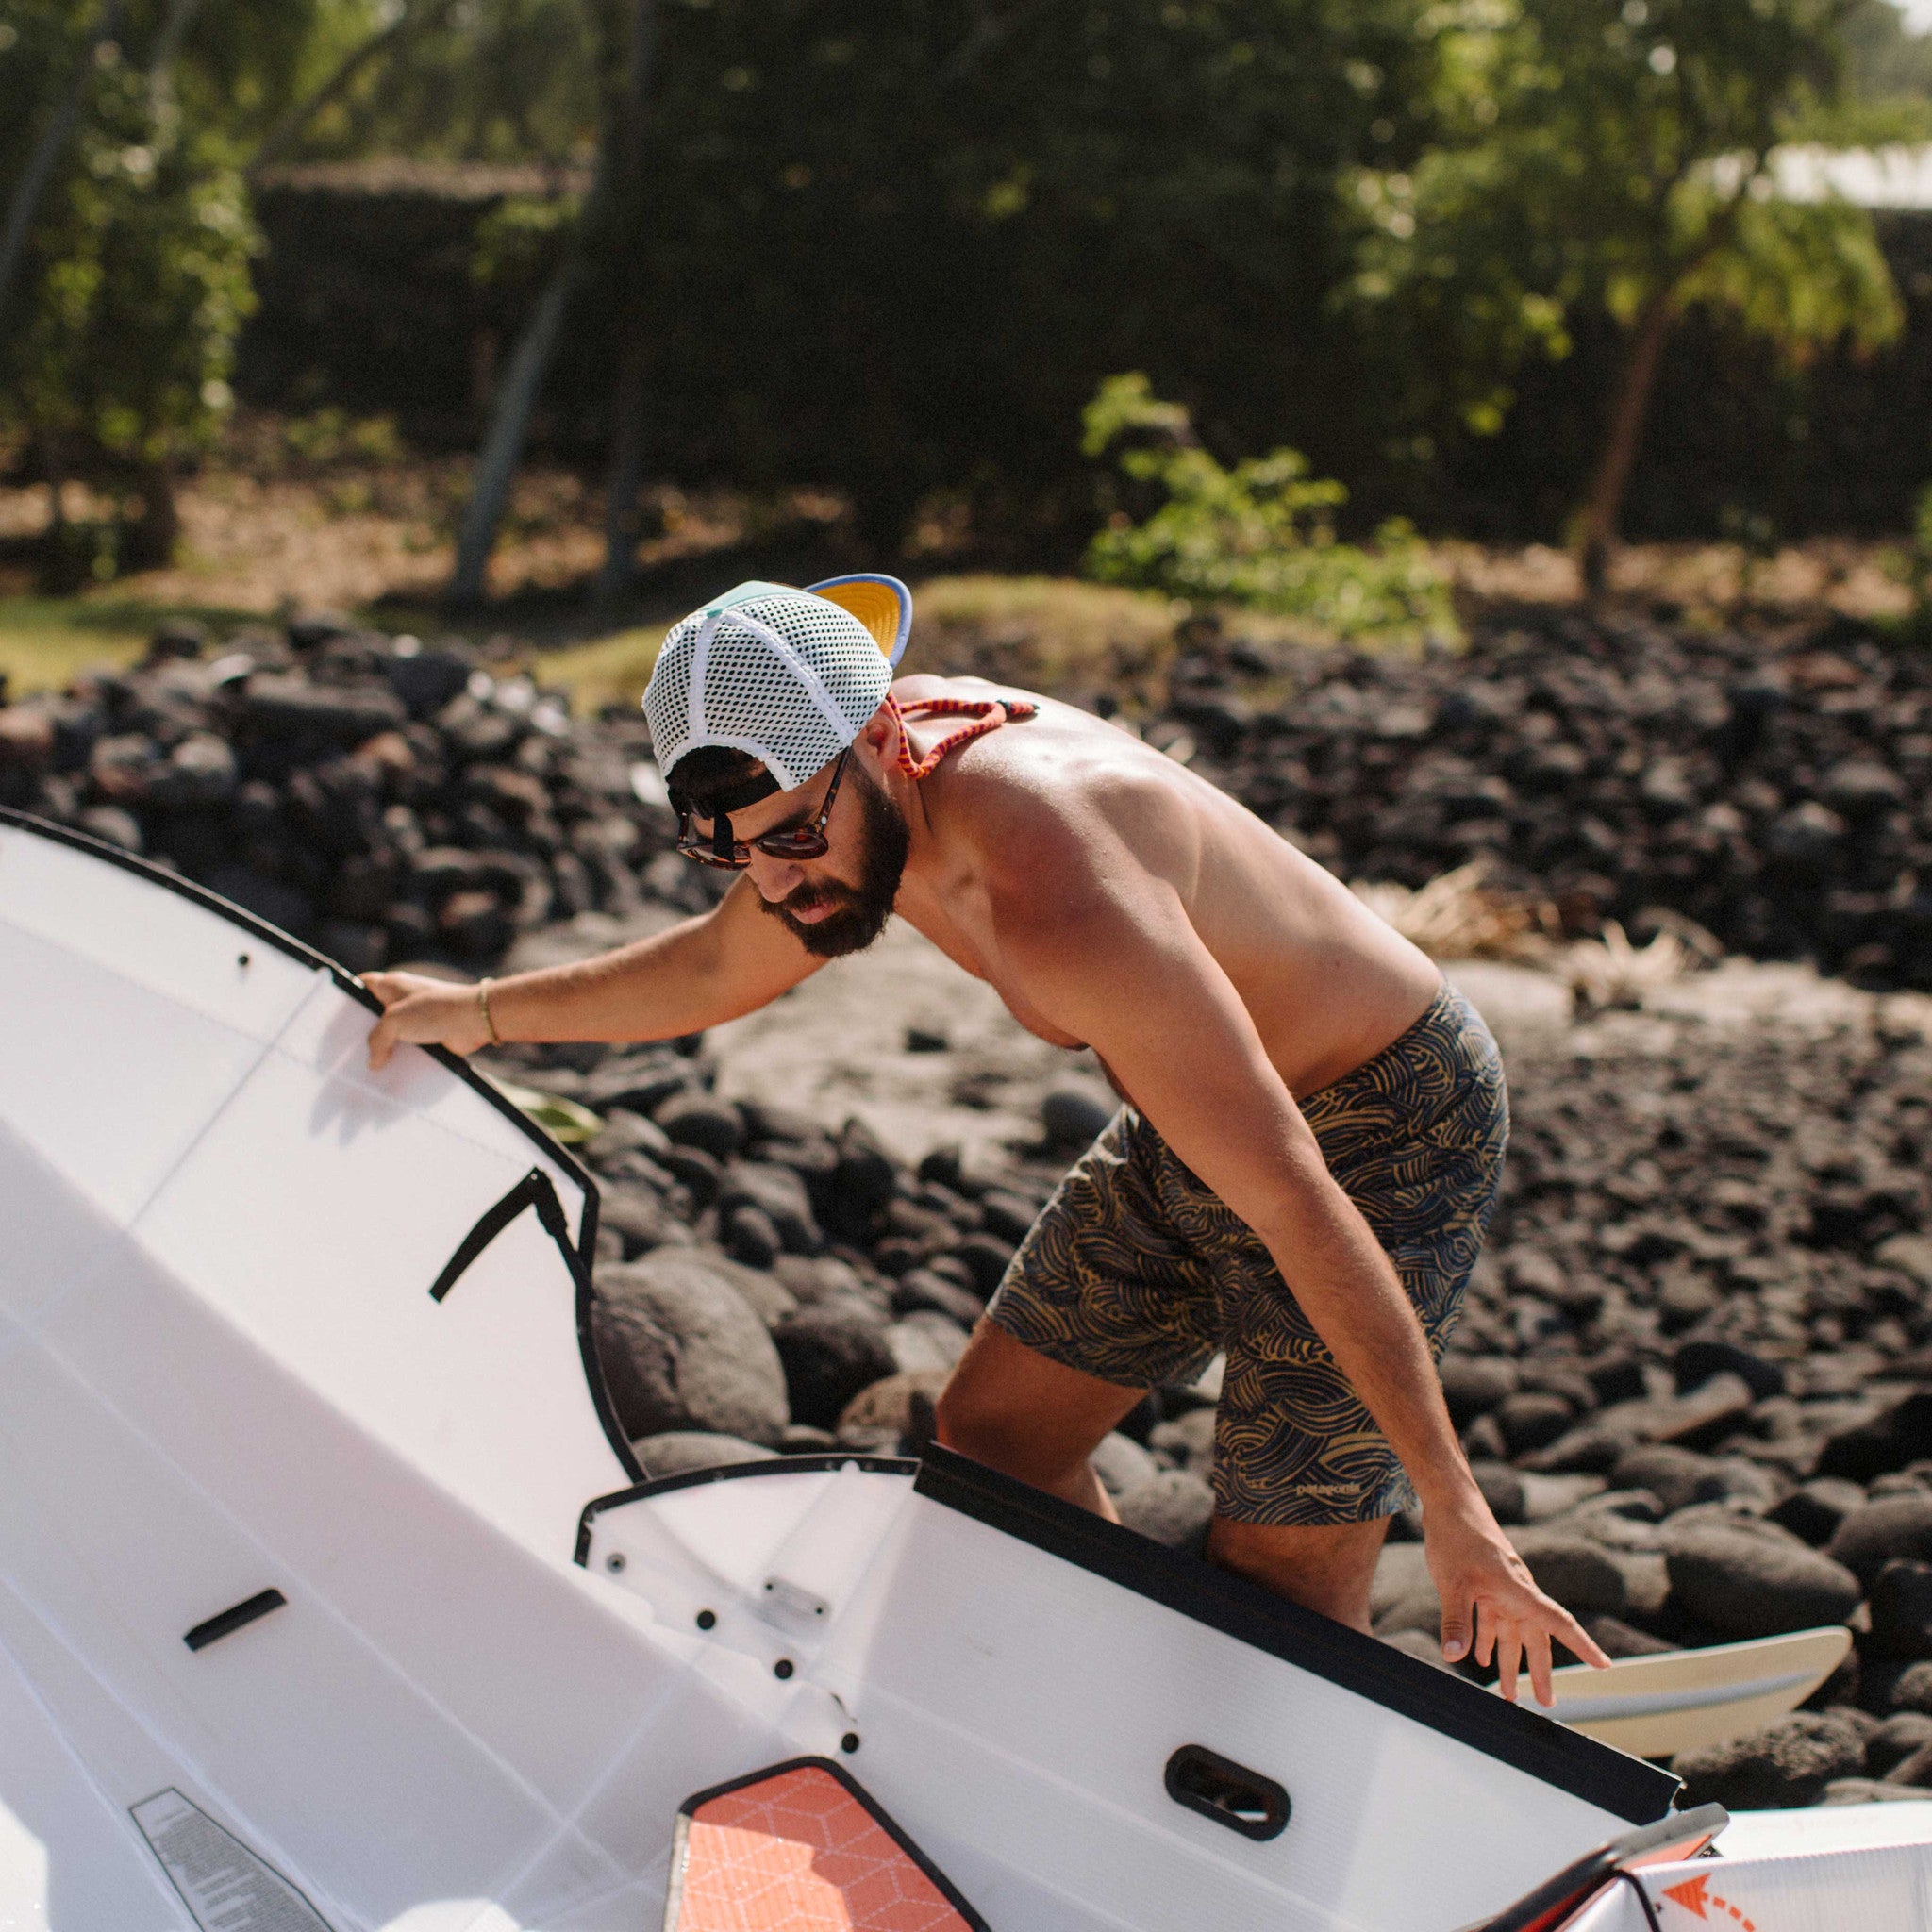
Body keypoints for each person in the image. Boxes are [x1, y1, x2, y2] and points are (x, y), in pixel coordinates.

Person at [366, 574, 1607, 1705]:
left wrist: (1459, 1514)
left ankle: (1302, 1768)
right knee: (994, 1449)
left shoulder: (1058, 886)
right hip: (1201, 1105)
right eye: (733, 853)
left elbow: (1292, 1197)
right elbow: (715, 963)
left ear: (878, 740)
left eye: (795, 833)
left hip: (1382, 1111)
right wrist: (475, 1013)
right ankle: (1142, 1714)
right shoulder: (840, 814)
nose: (781, 883)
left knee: (1282, 1567)